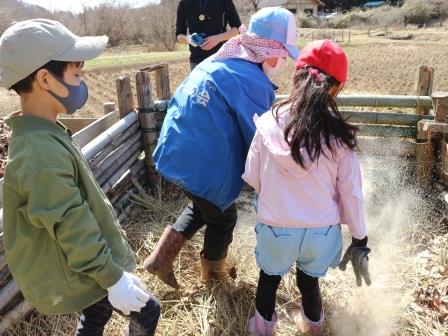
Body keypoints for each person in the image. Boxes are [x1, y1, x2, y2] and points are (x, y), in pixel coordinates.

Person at [0, 19, 160, 335]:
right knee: (148, 311)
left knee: (96, 312)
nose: (82, 80)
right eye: (76, 72)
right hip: (82, 265)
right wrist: (112, 277)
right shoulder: (39, 153)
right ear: (45, 79)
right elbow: (70, 223)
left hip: (83, 264)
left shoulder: (44, 132)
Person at [144, 7, 300, 290]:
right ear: (268, 49)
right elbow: (260, 140)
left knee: (204, 205)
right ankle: (214, 278)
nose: (283, 61)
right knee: (224, 216)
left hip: (175, 146)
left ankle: (160, 260)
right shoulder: (252, 81)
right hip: (200, 157)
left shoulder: (223, 58)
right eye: (282, 53)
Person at [242, 40, 372, 335]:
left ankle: (262, 328)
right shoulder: (339, 135)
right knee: (308, 281)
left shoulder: (268, 123)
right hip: (320, 233)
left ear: (296, 77)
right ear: (337, 89)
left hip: (276, 228)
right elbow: (351, 192)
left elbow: (252, 175)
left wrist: (274, 199)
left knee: (269, 278)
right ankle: (314, 326)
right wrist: (359, 239)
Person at [176, 0, 242, 70]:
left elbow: (238, 30)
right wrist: (189, 39)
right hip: (196, 60)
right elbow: (178, 36)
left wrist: (218, 38)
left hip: (221, 58)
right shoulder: (184, 3)